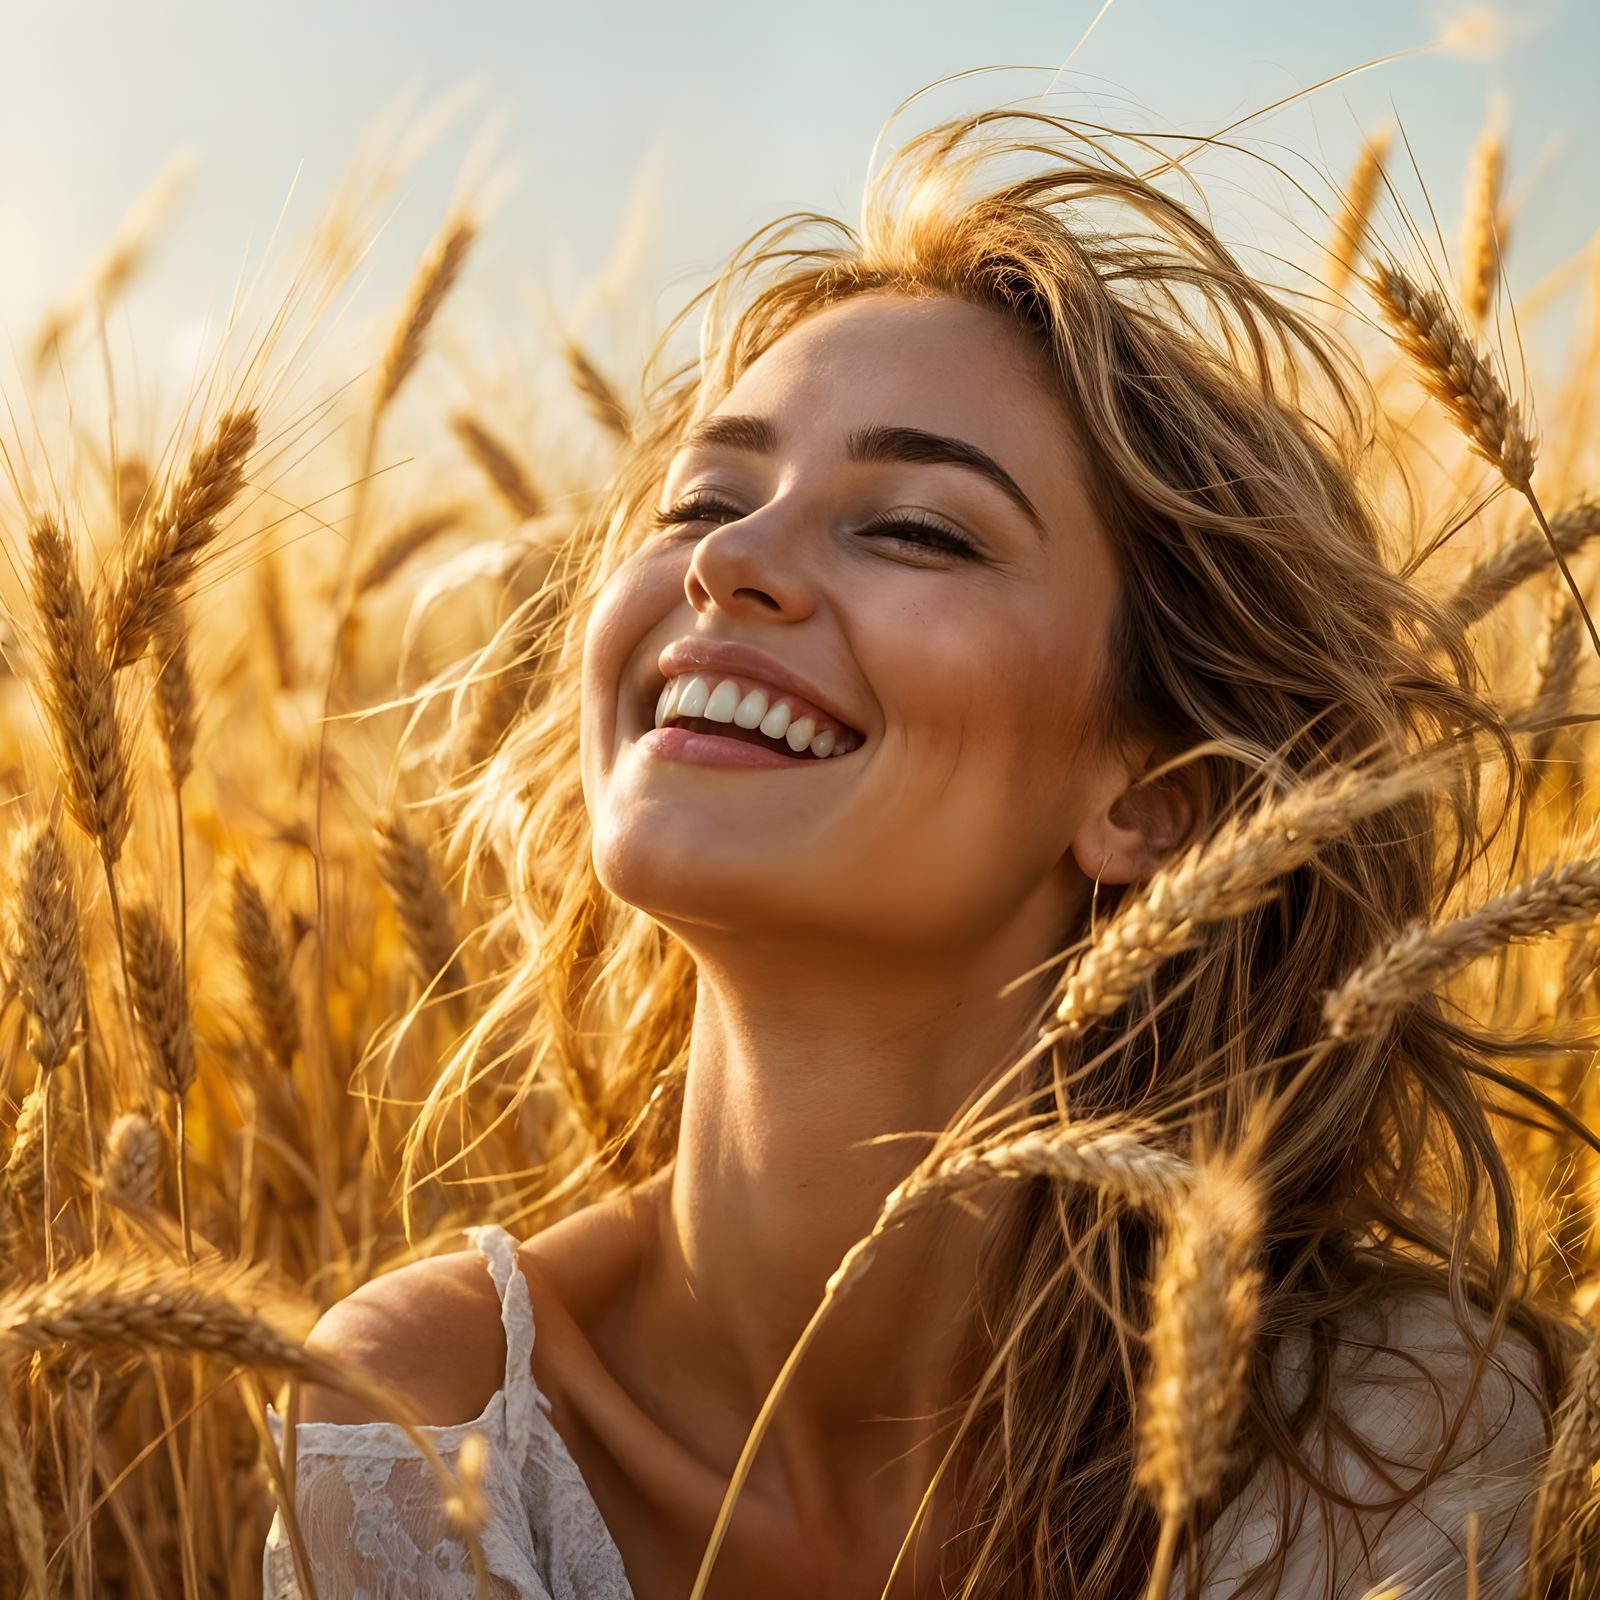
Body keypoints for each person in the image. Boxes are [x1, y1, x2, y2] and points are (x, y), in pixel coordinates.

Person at [260, 105, 1578, 1599]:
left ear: (1156, 800)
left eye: (914, 530)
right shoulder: (425, 1420)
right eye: (705, 496)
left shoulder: (1396, 1447)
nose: (727, 559)